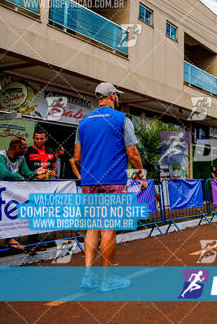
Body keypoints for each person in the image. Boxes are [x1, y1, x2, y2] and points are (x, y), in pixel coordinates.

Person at [73, 83, 147, 293]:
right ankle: (108, 279)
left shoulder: (83, 122)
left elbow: (77, 158)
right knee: (108, 229)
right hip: (113, 180)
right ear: (113, 96)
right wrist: (142, 178)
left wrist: (88, 173)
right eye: (118, 95)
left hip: (89, 181)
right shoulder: (122, 119)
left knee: (92, 228)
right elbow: (132, 154)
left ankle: (88, 276)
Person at [0, 137, 47, 251]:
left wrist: (36, 174)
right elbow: (4, 174)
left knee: (15, 215)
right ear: (16, 148)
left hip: (6, 194)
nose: (26, 149)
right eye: (24, 147)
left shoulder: (21, 158)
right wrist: (23, 178)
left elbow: (26, 173)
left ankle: (15, 242)